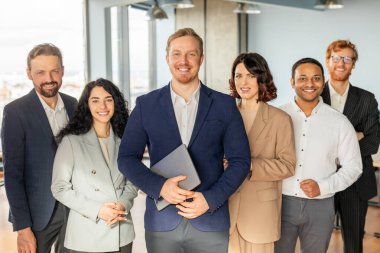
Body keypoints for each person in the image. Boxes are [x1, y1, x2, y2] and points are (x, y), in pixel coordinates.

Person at [117, 27, 251, 253]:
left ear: (201, 58)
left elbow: (240, 161)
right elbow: (126, 158)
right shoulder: (146, 105)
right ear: (167, 58)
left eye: (191, 54)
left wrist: (210, 199)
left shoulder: (224, 105)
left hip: (210, 220)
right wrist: (160, 187)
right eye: (177, 53)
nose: (184, 61)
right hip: (162, 222)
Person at [274, 58, 363, 253]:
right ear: (292, 82)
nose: (309, 84)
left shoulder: (339, 122)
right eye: (302, 78)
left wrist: (322, 187)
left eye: (316, 78)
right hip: (279, 204)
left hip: (321, 207)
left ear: (323, 82)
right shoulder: (277, 116)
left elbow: (354, 167)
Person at [1, 43, 78, 253]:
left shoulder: (75, 105)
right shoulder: (15, 112)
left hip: (74, 209)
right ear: (29, 74)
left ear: (62, 71)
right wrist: (23, 228)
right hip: (37, 214)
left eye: (54, 71)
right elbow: (13, 175)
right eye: (40, 72)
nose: (49, 78)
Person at [51, 78, 138, 253]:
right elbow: (59, 187)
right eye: (95, 100)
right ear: (87, 105)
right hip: (86, 234)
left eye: (108, 99)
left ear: (116, 103)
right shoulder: (71, 141)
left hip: (121, 231)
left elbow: (133, 181)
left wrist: (122, 204)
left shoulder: (126, 139)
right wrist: (98, 210)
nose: (103, 106)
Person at [228, 52, 296, 253]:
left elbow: (288, 165)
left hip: (261, 215)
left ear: (262, 78)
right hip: (226, 211)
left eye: (250, 75)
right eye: (239, 75)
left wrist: (247, 164)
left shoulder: (280, 119)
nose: (244, 81)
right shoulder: (225, 115)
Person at [320, 39, 380, 253]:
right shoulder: (313, 96)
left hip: (356, 183)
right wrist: (354, 136)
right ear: (327, 61)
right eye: (336, 57)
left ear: (353, 64)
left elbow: (373, 141)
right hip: (321, 179)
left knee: (354, 244)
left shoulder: (367, 99)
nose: (341, 63)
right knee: (317, 242)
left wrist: (335, 146)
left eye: (347, 59)